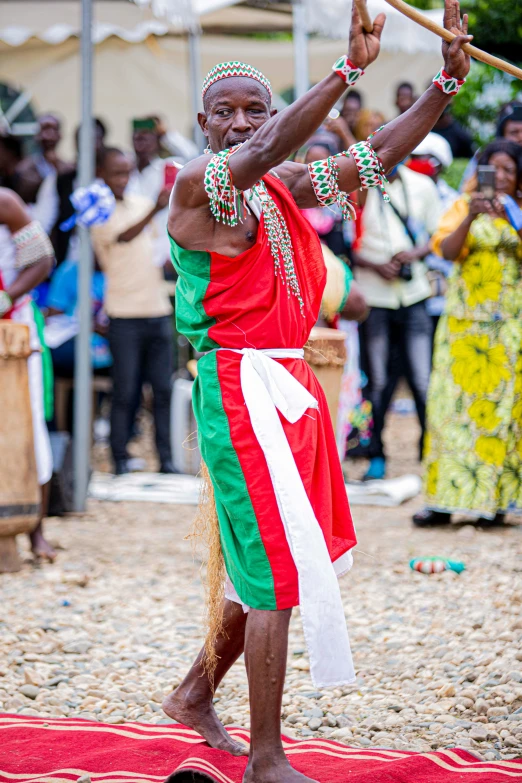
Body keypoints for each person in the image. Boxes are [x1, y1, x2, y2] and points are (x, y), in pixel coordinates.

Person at [161, 2, 471, 780]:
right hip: (240, 388)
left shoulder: (278, 188)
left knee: (267, 562)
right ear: (202, 123)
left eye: (254, 109)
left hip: (288, 385)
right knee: (278, 574)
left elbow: (372, 161)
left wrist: (443, 86)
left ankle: (195, 693)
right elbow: (268, 148)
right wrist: (346, 71)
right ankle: (267, 759)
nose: (242, 123)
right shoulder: (204, 188)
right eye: (224, 112)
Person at [414, 139, 522, 528]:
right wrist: (472, 217)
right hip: (462, 327)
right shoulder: (462, 205)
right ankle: (443, 502)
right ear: (481, 172)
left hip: (508, 329)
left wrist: (511, 218)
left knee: (499, 413)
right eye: (495, 168)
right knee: (450, 410)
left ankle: (494, 503)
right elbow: (444, 251)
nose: (503, 177)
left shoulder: (520, 209)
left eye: (510, 169)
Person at [353, 153, 443, 480]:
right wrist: (376, 265)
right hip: (373, 297)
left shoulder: (421, 186)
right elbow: (345, 241)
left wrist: (413, 254)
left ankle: (431, 453)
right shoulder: (357, 187)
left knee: (422, 378)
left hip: (414, 293)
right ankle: (376, 455)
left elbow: (440, 235)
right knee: (376, 381)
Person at [91, 147, 175, 476]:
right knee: (125, 391)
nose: (123, 179)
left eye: (127, 172)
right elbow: (124, 236)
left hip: (155, 309)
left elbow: (156, 249)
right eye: (116, 173)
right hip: (123, 314)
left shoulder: (142, 205)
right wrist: (155, 207)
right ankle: (119, 458)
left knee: (164, 390)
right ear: (102, 174)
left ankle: (166, 459)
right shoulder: (97, 211)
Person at [0, 187, 55, 559]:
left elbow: (42, 259)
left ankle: (36, 530)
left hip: (13, 327)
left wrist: (6, 298)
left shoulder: (5, 202)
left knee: (27, 421)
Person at [408, 132, 458, 336]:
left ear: (437, 163)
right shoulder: (404, 194)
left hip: (443, 292)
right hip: (411, 291)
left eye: (421, 158)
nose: (414, 163)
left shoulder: (454, 201)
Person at [126, 117, 182, 268]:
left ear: (157, 141)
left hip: (163, 247)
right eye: (137, 138)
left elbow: (192, 154)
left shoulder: (167, 167)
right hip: (132, 245)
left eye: (146, 138)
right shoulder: (125, 170)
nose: (141, 143)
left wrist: (167, 134)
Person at [52, 118, 108, 266]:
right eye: (81, 139)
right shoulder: (62, 180)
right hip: (69, 261)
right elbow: (43, 220)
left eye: (94, 139)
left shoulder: (113, 181)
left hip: (105, 266)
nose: (87, 145)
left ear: (102, 142)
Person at [15, 113, 73, 206]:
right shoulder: (24, 168)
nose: (49, 136)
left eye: (53, 130)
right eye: (45, 129)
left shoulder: (68, 168)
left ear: (60, 135)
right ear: (36, 135)